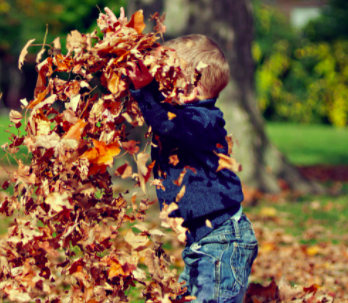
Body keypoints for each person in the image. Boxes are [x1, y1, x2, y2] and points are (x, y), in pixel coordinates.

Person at [102, 8, 258, 303]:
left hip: (222, 242)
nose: (160, 84)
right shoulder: (185, 116)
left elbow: (168, 123)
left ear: (192, 88)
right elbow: (160, 115)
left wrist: (145, 89)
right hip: (202, 243)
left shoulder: (203, 121)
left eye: (167, 77)